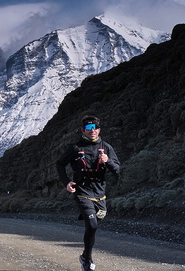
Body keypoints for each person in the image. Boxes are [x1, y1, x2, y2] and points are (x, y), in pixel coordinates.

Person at [56, 115, 120, 271]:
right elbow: (60, 164)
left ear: (99, 129)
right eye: (89, 128)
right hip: (82, 191)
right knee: (91, 225)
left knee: (98, 220)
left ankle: (85, 254)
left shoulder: (106, 147)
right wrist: (67, 182)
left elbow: (117, 170)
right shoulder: (75, 147)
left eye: (95, 128)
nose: (92, 131)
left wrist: (108, 161)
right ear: (83, 130)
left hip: (100, 193)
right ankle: (87, 258)